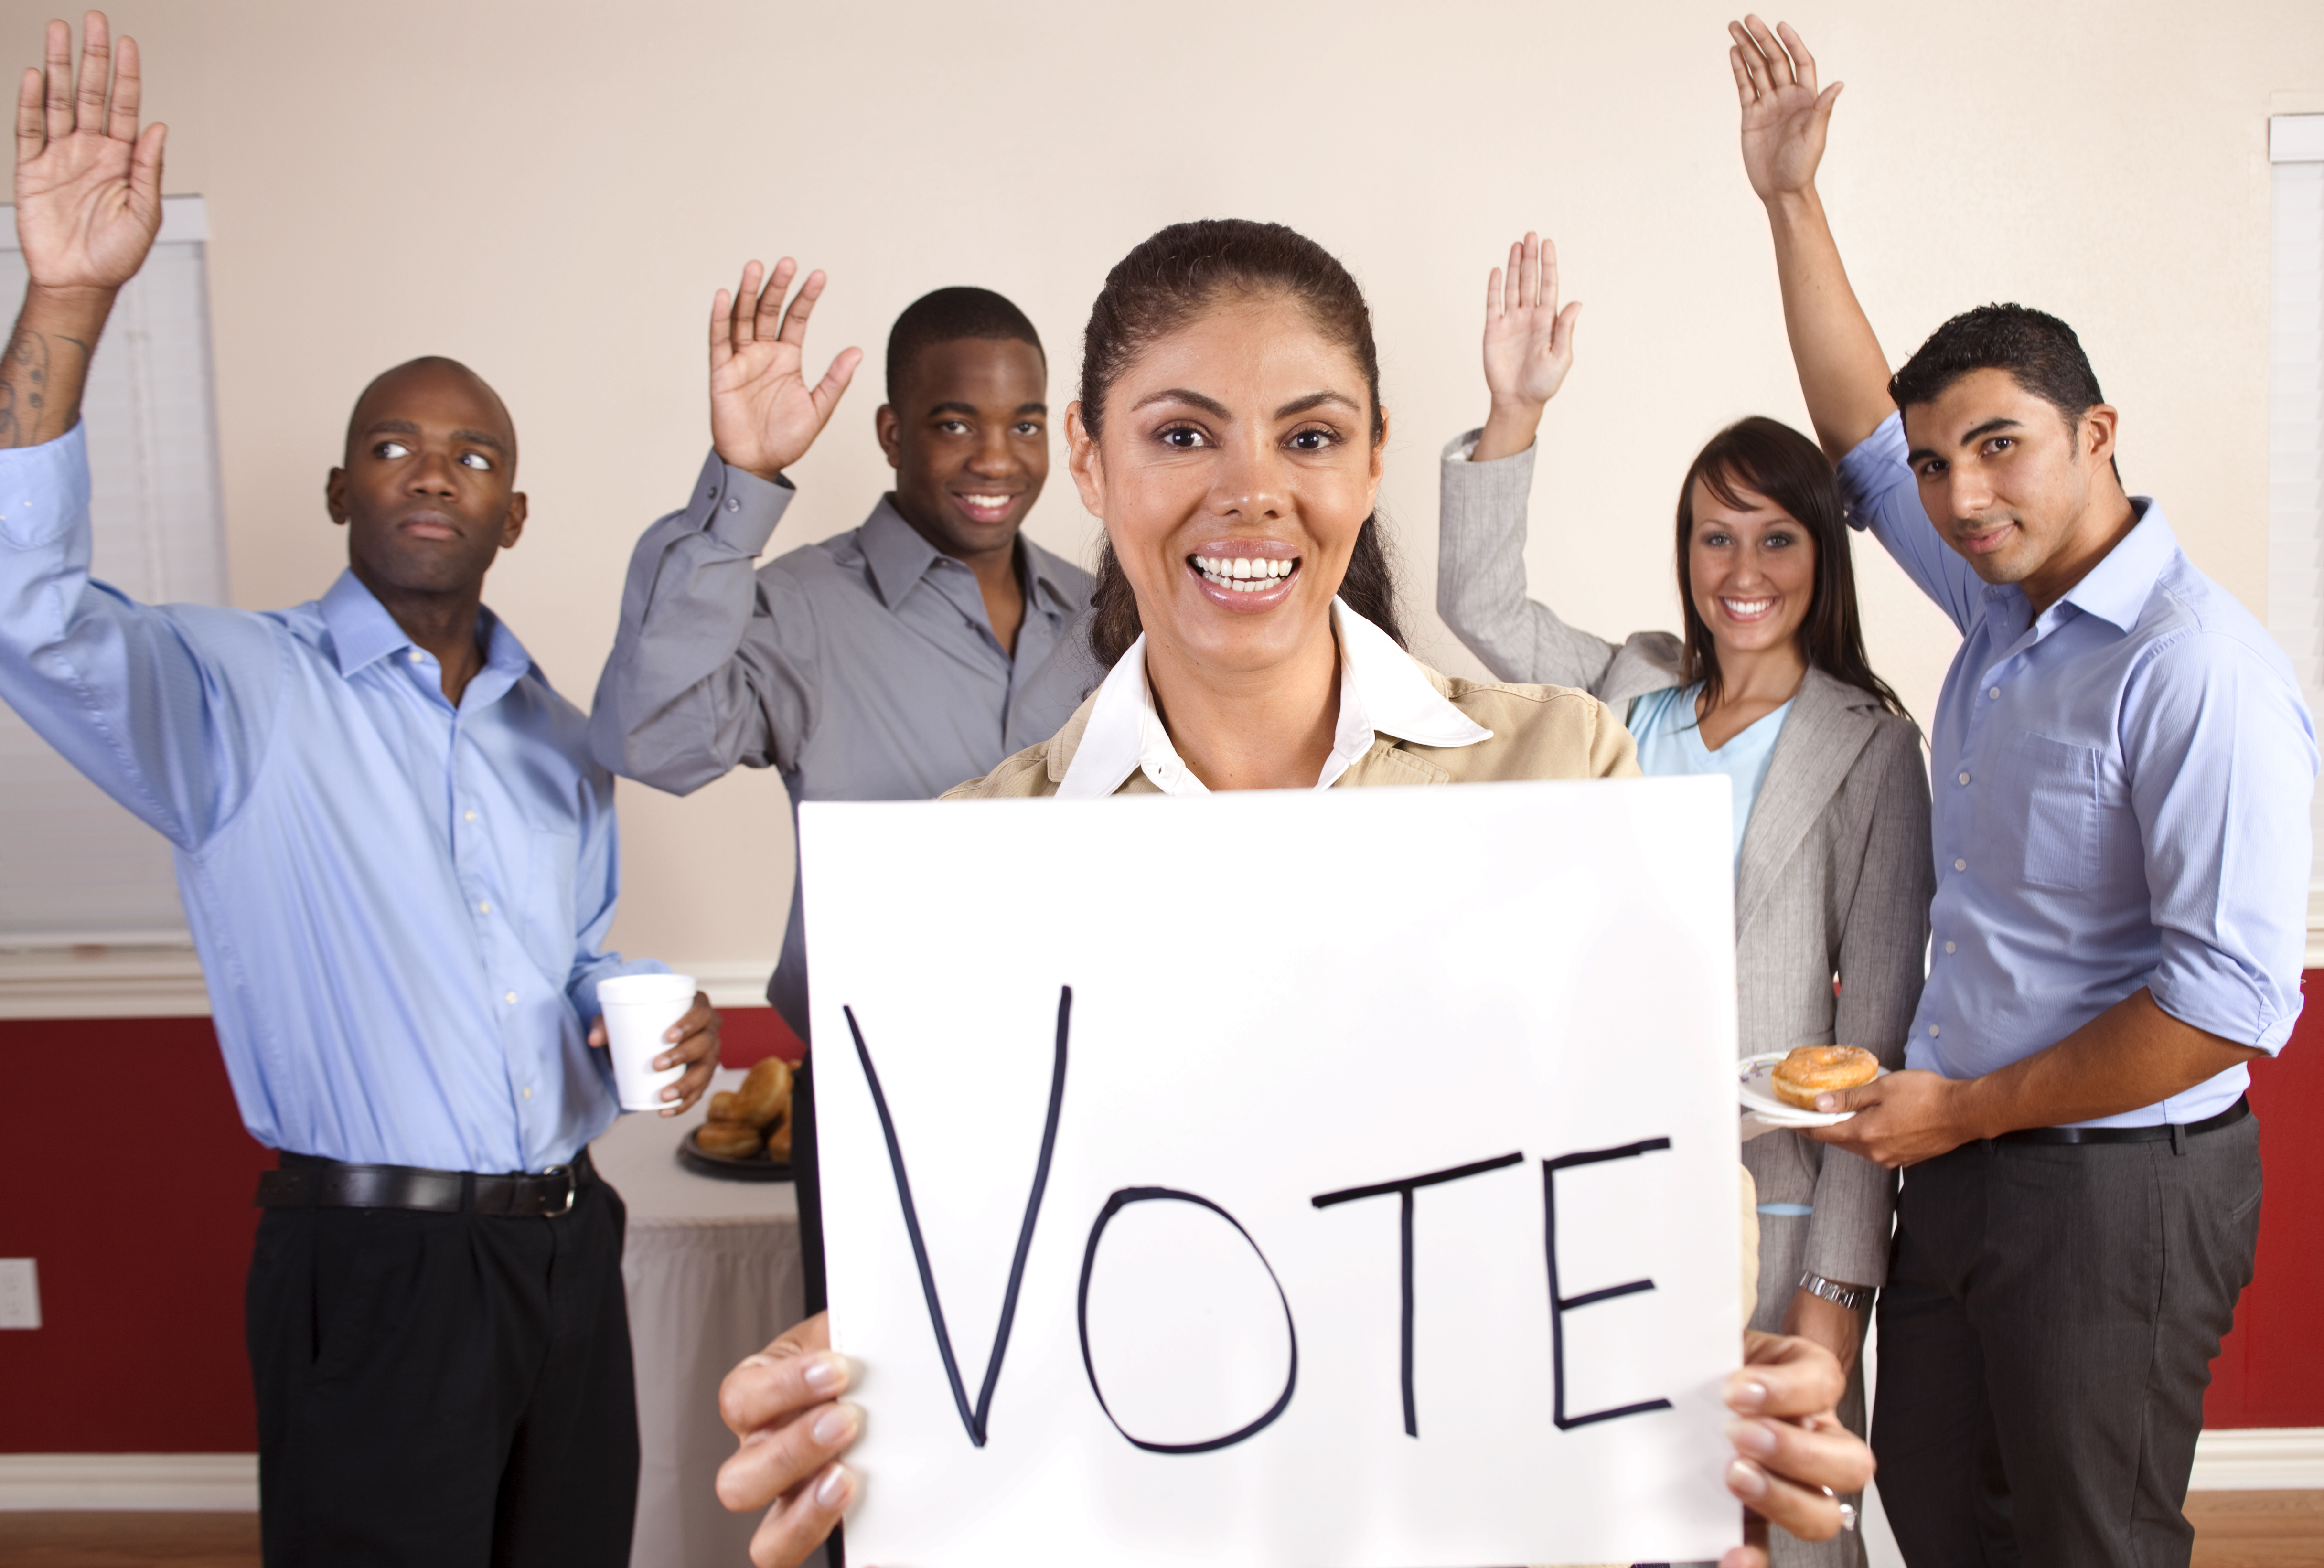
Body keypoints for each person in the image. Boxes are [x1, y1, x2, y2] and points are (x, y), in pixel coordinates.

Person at [706, 218, 1877, 1568]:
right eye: (1185, 435)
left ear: (1376, 456)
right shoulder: (980, 864)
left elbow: (1639, 1206)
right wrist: (883, 1375)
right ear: (1087, 457)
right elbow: (980, 1288)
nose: (1253, 492)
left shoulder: (1567, 773)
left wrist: (1695, 1387)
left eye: (1310, 438)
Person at [0, 18, 720, 1565]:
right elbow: (13, 603)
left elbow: (576, 961)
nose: (431, 470)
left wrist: (647, 1004)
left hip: (572, 1253)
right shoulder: (231, 696)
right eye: (393, 445)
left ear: (516, 510)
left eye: (469, 453)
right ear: (342, 491)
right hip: (370, 1266)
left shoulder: (560, 740)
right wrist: (68, 298)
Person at [1730, 17, 2315, 1566]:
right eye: (1940, 463)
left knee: (2088, 1544)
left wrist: (1964, 1109)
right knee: (1939, 1514)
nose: (1958, 493)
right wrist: (1791, 199)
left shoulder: (2199, 672)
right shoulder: (2001, 597)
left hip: (2118, 1190)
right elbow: (1860, 431)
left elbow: (2233, 996)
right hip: (1965, 1167)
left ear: (2097, 435)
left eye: (1998, 446)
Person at [1435, 234, 1934, 1565]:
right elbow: (1476, 598)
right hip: (1592, 1178)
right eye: (1716, 534)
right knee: (1612, 1513)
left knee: (1766, 1524)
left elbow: (1871, 1047)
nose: (1743, 566)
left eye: (1776, 534)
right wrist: (1518, 410)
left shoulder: (1873, 748)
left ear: (1822, 556)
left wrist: (1835, 1291)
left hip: (1765, 1210)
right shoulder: (1626, 692)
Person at [588, 270, 1099, 1312]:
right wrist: (739, 479)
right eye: (955, 423)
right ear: (890, 430)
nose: (996, 458)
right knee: (889, 1435)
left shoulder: (1101, 618)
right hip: (881, 1100)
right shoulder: (800, 608)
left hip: (1090, 1092)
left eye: (1025, 422)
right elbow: (651, 741)